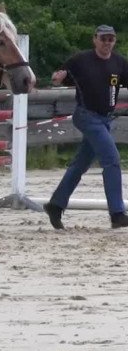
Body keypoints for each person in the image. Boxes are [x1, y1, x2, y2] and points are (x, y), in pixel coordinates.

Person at [44, 24, 128, 229]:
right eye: (103, 39)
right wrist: (58, 78)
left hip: (105, 119)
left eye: (111, 39)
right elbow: (59, 76)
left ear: (114, 41)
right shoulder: (80, 60)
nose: (107, 43)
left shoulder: (119, 63)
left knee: (80, 165)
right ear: (95, 39)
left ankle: (55, 205)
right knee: (112, 159)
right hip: (86, 116)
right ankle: (117, 213)